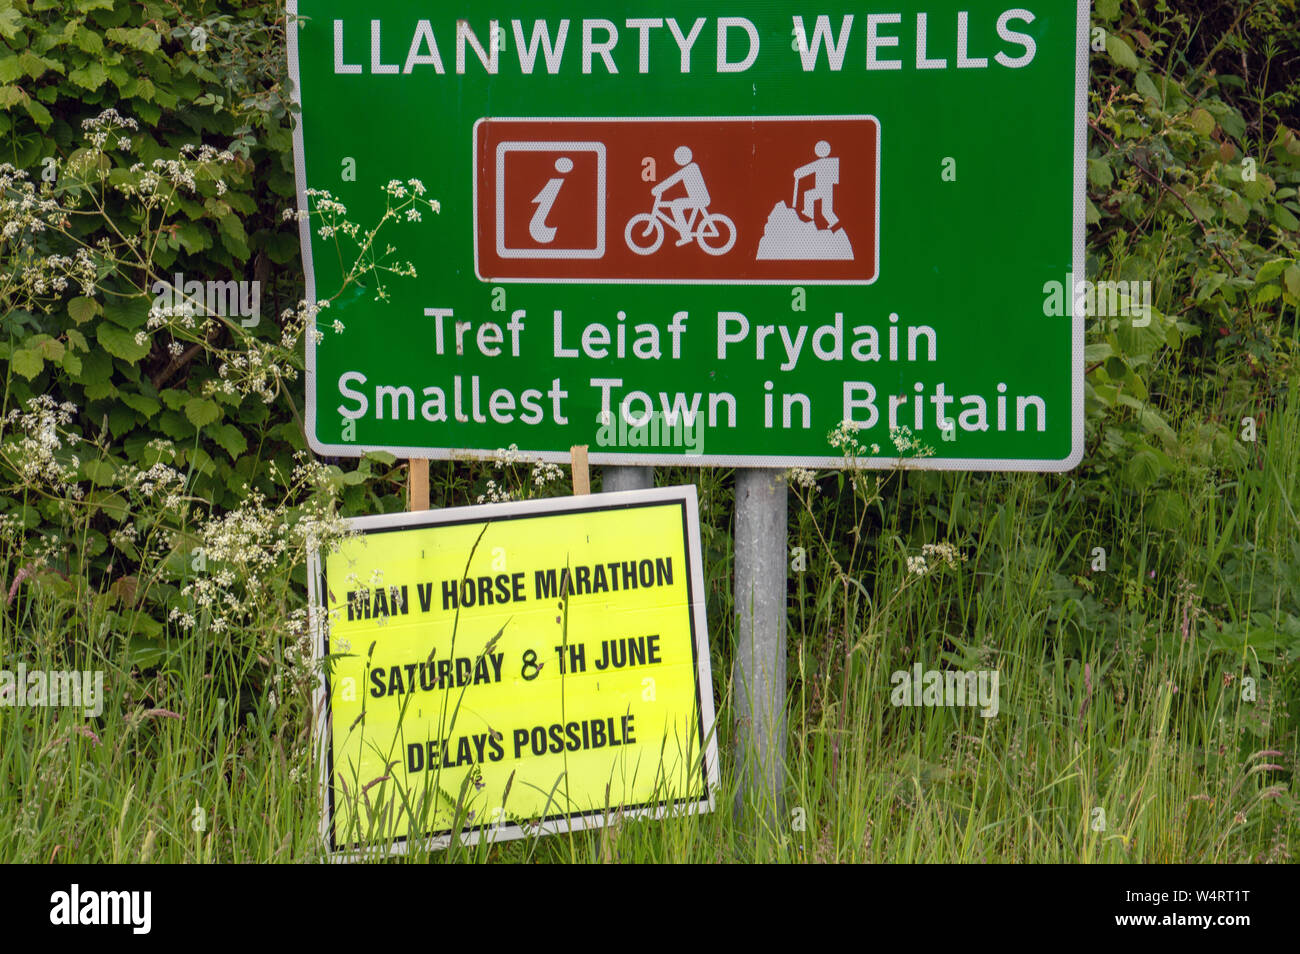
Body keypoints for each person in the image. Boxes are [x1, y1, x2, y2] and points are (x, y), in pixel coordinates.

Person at [651, 145, 711, 246]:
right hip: (696, 199)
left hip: (700, 199)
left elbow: (673, 180)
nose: (678, 159)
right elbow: (674, 179)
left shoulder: (690, 168)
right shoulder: (690, 167)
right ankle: (686, 233)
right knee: (676, 203)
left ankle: (686, 236)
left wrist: (658, 189)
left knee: (675, 205)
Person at [793, 140, 840, 229]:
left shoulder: (823, 163)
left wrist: (798, 173)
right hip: (826, 188)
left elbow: (808, 169)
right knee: (826, 211)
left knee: (812, 198)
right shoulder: (832, 162)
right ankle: (835, 227)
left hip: (824, 188)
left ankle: (809, 214)